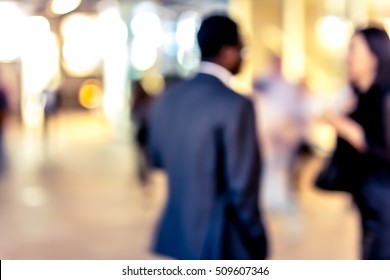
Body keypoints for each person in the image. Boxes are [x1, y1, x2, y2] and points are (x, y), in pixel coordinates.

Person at [148, 14, 267, 260]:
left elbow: (157, 157)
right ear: (228, 51)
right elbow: (242, 187)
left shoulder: (168, 97)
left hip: (178, 233)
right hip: (219, 240)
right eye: (242, 49)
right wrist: (256, 239)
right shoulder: (236, 104)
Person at [324, 26, 390, 259]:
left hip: (384, 200)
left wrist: (353, 132)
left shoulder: (386, 95)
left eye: (353, 50)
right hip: (366, 198)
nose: (347, 58)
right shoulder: (357, 95)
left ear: (373, 56)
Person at [130, 79, 154, 186]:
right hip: (144, 131)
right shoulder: (144, 100)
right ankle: (143, 175)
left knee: (142, 156)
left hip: (144, 131)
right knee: (143, 156)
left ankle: (144, 175)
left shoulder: (141, 100)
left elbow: (134, 116)